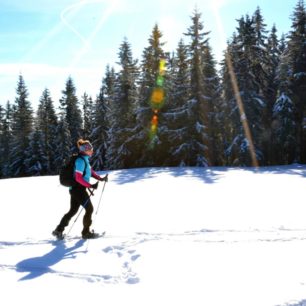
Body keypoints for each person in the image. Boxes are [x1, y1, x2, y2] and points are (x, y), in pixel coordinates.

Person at [52, 139, 108, 239]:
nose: (92, 151)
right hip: (78, 189)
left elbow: (90, 171)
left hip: (76, 189)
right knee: (89, 209)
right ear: (85, 150)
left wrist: (100, 178)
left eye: (92, 149)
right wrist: (90, 186)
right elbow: (78, 177)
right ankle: (86, 233)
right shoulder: (80, 161)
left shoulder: (85, 160)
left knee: (73, 210)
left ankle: (58, 230)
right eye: (90, 149)